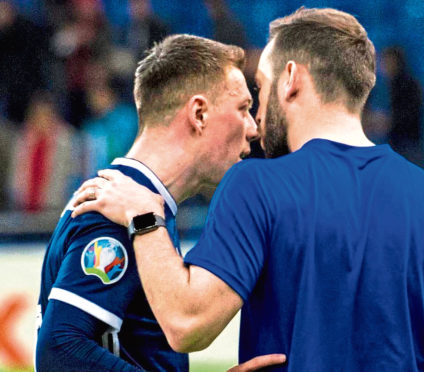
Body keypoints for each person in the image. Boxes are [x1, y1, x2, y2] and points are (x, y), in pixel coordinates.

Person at [73, 8, 424, 372]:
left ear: (292, 77)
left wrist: (144, 217)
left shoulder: (256, 186)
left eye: (260, 88)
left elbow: (187, 323)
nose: (257, 118)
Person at [35, 34, 285, 371]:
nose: (253, 128)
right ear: (199, 113)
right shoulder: (118, 212)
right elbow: (60, 349)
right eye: (242, 109)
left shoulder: (139, 204)